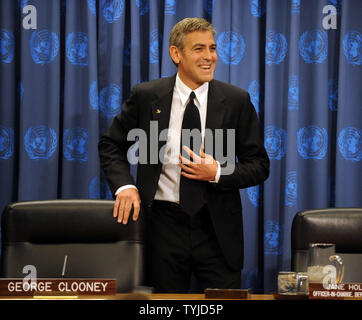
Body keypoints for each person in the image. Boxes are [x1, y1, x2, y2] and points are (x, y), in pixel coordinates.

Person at [98, 17, 269, 293]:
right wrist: (125, 186)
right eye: (199, 49)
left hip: (217, 231)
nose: (209, 57)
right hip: (162, 227)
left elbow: (259, 166)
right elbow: (110, 143)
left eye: (212, 49)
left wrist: (217, 173)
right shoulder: (147, 96)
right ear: (176, 54)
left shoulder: (236, 100)